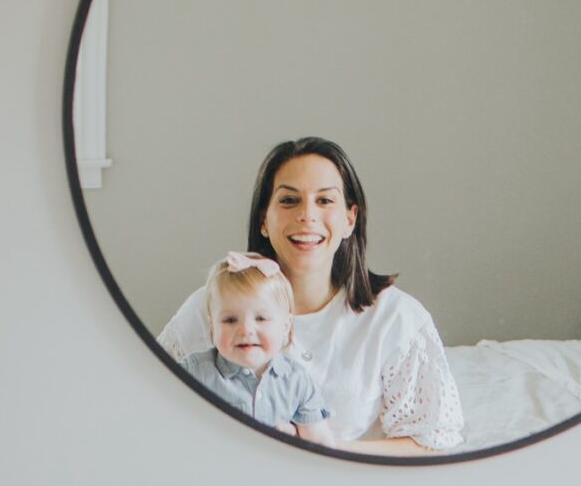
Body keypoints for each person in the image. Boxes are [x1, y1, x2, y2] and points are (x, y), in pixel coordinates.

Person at [157, 139, 464, 455]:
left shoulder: (395, 318)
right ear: (264, 219)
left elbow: (431, 441)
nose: (307, 215)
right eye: (289, 200)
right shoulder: (209, 306)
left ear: (350, 218)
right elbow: (151, 401)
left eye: (325, 201)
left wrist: (324, 451)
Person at [176, 253, 336, 443]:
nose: (246, 330)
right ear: (213, 327)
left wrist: (296, 441)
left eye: (261, 318)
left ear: (285, 325)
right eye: (230, 320)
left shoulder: (296, 381)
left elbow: (321, 444)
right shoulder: (196, 371)